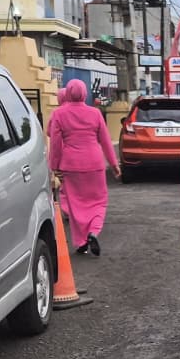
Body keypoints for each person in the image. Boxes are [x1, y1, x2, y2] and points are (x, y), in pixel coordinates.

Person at [48, 79, 120, 256]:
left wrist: (54, 166)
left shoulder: (59, 114)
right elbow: (105, 141)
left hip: (71, 165)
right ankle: (93, 231)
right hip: (94, 163)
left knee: (75, 205)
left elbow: (56, 143)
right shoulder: (95, 113)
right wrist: (114, 164)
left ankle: (80, 242)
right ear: (85, 93)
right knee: (99, 201)